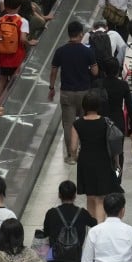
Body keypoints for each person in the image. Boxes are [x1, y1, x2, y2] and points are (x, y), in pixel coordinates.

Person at [49, 21, 98, 165]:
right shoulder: (87, 51)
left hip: (67, 93)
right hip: (84, 93)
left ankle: (71, 156)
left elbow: (53, 71)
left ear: (69, 34)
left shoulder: (61, 51)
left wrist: (52, 88)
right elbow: (95, 71)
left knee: (68, 125)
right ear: (81, 34)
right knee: (86, 122)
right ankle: (85, 152)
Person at [70, 91, 120, 224]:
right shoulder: (106, 122)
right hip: (103, 161)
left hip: (85, 162)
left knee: (90, 196)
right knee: (100, 198)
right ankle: (100, 225)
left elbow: (73, 147)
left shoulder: (77, 124)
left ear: (84, 106)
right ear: (99, 106)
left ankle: (93, 227)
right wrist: (117, 163)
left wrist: (75, 157)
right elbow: (114, 144)